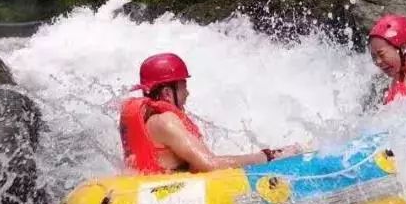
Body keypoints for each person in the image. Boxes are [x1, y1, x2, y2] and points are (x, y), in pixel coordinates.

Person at [119, 53, 302, 174]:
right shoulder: (165, 122)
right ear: (168, 93)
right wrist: (268, 156)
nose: (188, 94)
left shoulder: (147, 120)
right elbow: (209, 164)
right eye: (184, 88)